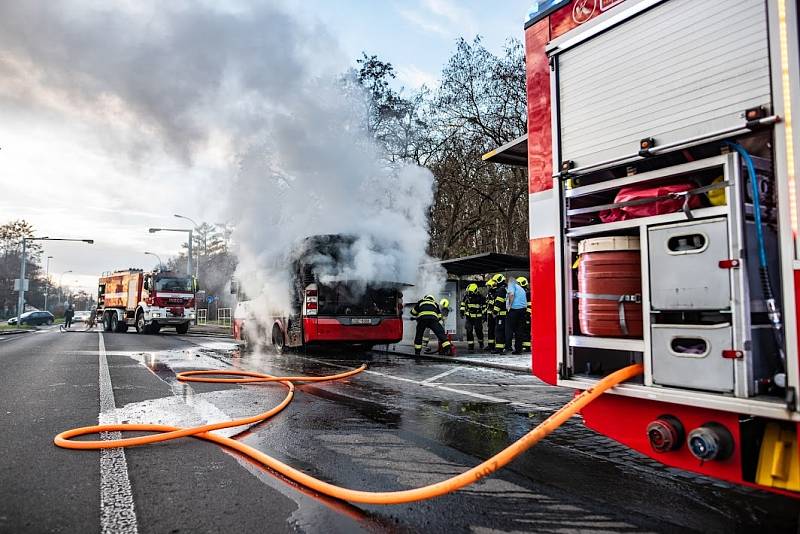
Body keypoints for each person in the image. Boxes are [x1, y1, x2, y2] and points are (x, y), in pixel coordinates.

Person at [505, 277, 528, 355]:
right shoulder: (521, 289)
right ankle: (518, 349)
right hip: (523, 310)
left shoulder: (511, 284)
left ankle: (507, 347)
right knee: (519, 330)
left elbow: (511, 295)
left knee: (509, 329)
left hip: (514, 310)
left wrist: (509, 306)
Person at [460, 283, 485, 352]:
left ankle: (481, 342)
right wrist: (462, 312)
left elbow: (484, 308)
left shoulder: (481, 297)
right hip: (469, 317)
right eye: (468, 292)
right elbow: (463, 305)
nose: (469, 293)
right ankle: (470, 345)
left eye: (470, 292)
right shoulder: (466, 297)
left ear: (475, 291)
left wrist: (484, 316)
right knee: (469, 331)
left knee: (478, 331)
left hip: (478, 318)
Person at [491, 274, 508, 354]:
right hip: (506, 314)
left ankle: (499, 348)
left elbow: (499, 302)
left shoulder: (501, 290)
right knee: (504, 331)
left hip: (501, 315)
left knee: (499, 331)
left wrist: (494, 312)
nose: (494, 283)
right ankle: (505, 347)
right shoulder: (506, 288)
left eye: (495, 281)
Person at [516, 276, 532, 352]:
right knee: (522, 330)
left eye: (518, 284)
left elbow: (529, 305)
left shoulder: (527, 293)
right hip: (522, 314)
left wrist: (527, 314)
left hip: (526, 315)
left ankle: (527, 347)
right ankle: (524, 345)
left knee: (526, 331)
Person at [484, 278, 497, 351]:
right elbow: (487, 304)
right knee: (490, 330)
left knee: (496, 331)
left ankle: (497, 345)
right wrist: (485, 315)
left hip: (495, 315)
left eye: (489, 286)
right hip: (490, 315)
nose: (488, 287)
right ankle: (490, 345)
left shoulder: (496, 292)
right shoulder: (489, 293)